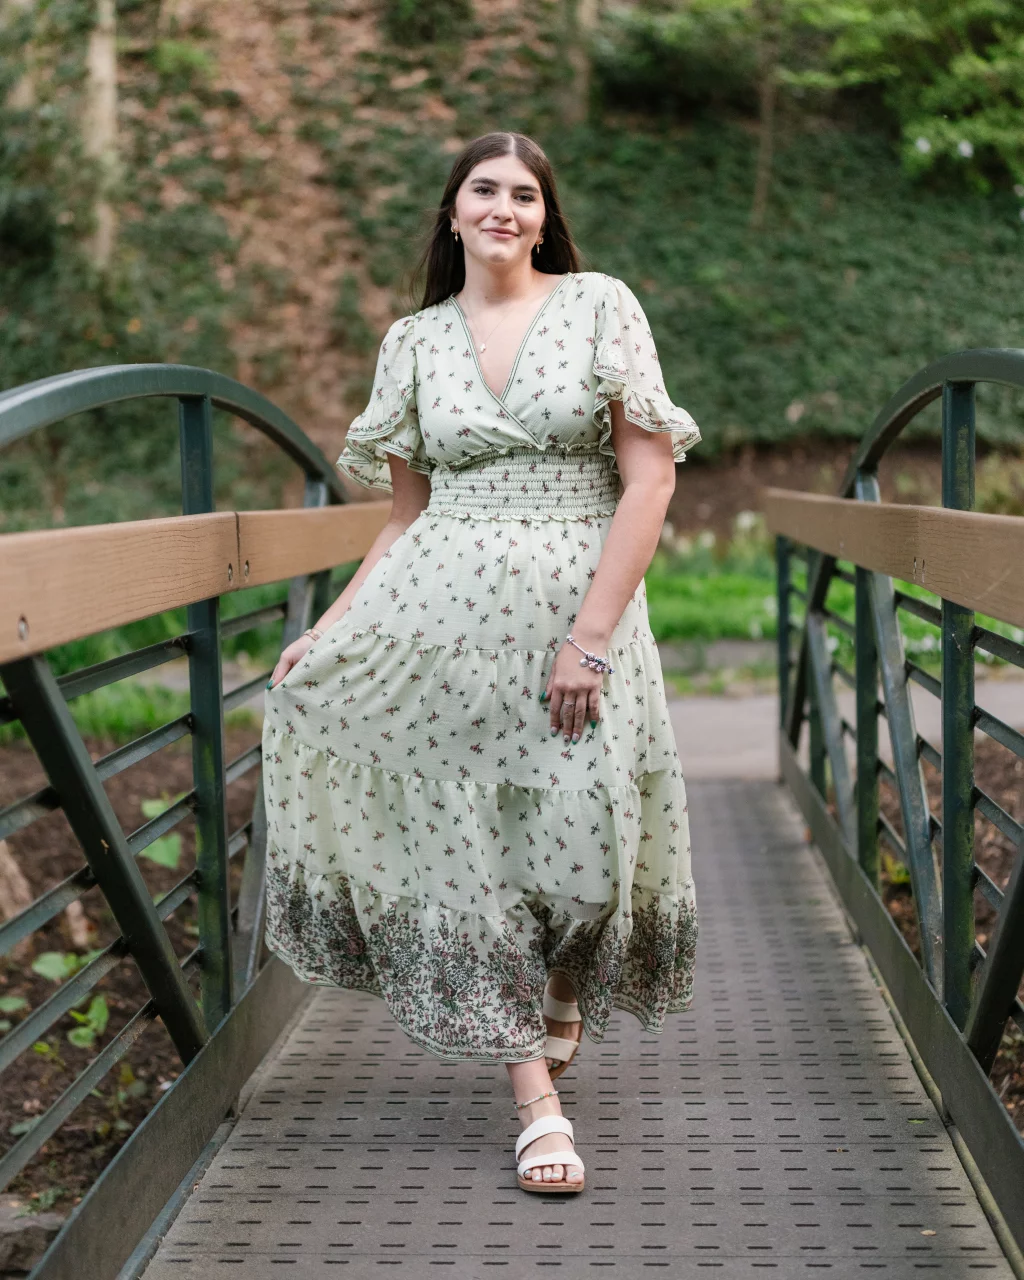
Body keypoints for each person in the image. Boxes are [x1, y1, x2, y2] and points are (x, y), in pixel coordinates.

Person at [262, 130, 700, 1194]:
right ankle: (534, 1102)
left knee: (579, 834)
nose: (503, 206)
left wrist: (586, 638)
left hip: (576, 620)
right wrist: (334, 624)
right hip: (437, 632)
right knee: (466, 845)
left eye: (523, 193)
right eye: (483, 190)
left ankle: (558, 985)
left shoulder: (601, 305)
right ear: (451, 212)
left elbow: (646, 485)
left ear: (544, 216)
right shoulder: (411, 342)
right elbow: (403, 516)